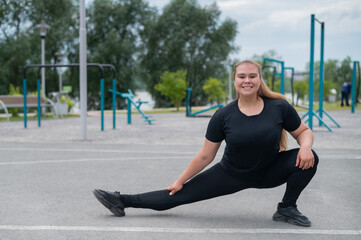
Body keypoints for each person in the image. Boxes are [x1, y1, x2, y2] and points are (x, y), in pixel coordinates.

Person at [93, 60, 319, 227]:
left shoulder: (278, 107)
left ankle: (287, 208)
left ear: (260, 79)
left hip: (270, 171)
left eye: (252, 76)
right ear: (235, 80)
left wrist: (306, 147)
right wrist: (180, 181)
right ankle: (122, 200)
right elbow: (205, 155)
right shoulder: (223, 115)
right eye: (242, 76)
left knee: (311, 158)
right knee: (176, 196)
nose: (247, 80)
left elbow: (303, 132)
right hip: (231, 174)